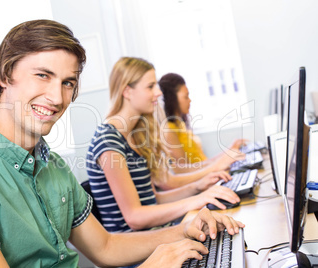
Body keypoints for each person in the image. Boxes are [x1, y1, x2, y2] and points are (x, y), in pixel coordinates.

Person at [0, 20, 244, 268]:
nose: (57, 97)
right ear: (5, 75)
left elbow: (105, 247)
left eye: (67, 83)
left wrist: (184, 230)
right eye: (42, 76)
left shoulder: (53, 166)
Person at [86, 57, 241, 236]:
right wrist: (195, 200)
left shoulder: (136, 135)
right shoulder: (108, 141)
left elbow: (153, 200)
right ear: (127, 91)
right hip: (138, 251)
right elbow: (134, 217)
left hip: (158, 234)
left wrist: (198, 187)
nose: (158, 92)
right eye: (150, 86)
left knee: (227, 228)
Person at [158, 72, 245, 173]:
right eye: (186, 97)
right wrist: (223, 160)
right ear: (172, 99)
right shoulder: (169, 130)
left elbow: (203, 162)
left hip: (209, 174)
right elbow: (183, 171)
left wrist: (228, 152)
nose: (189, 100)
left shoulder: (180, 124)